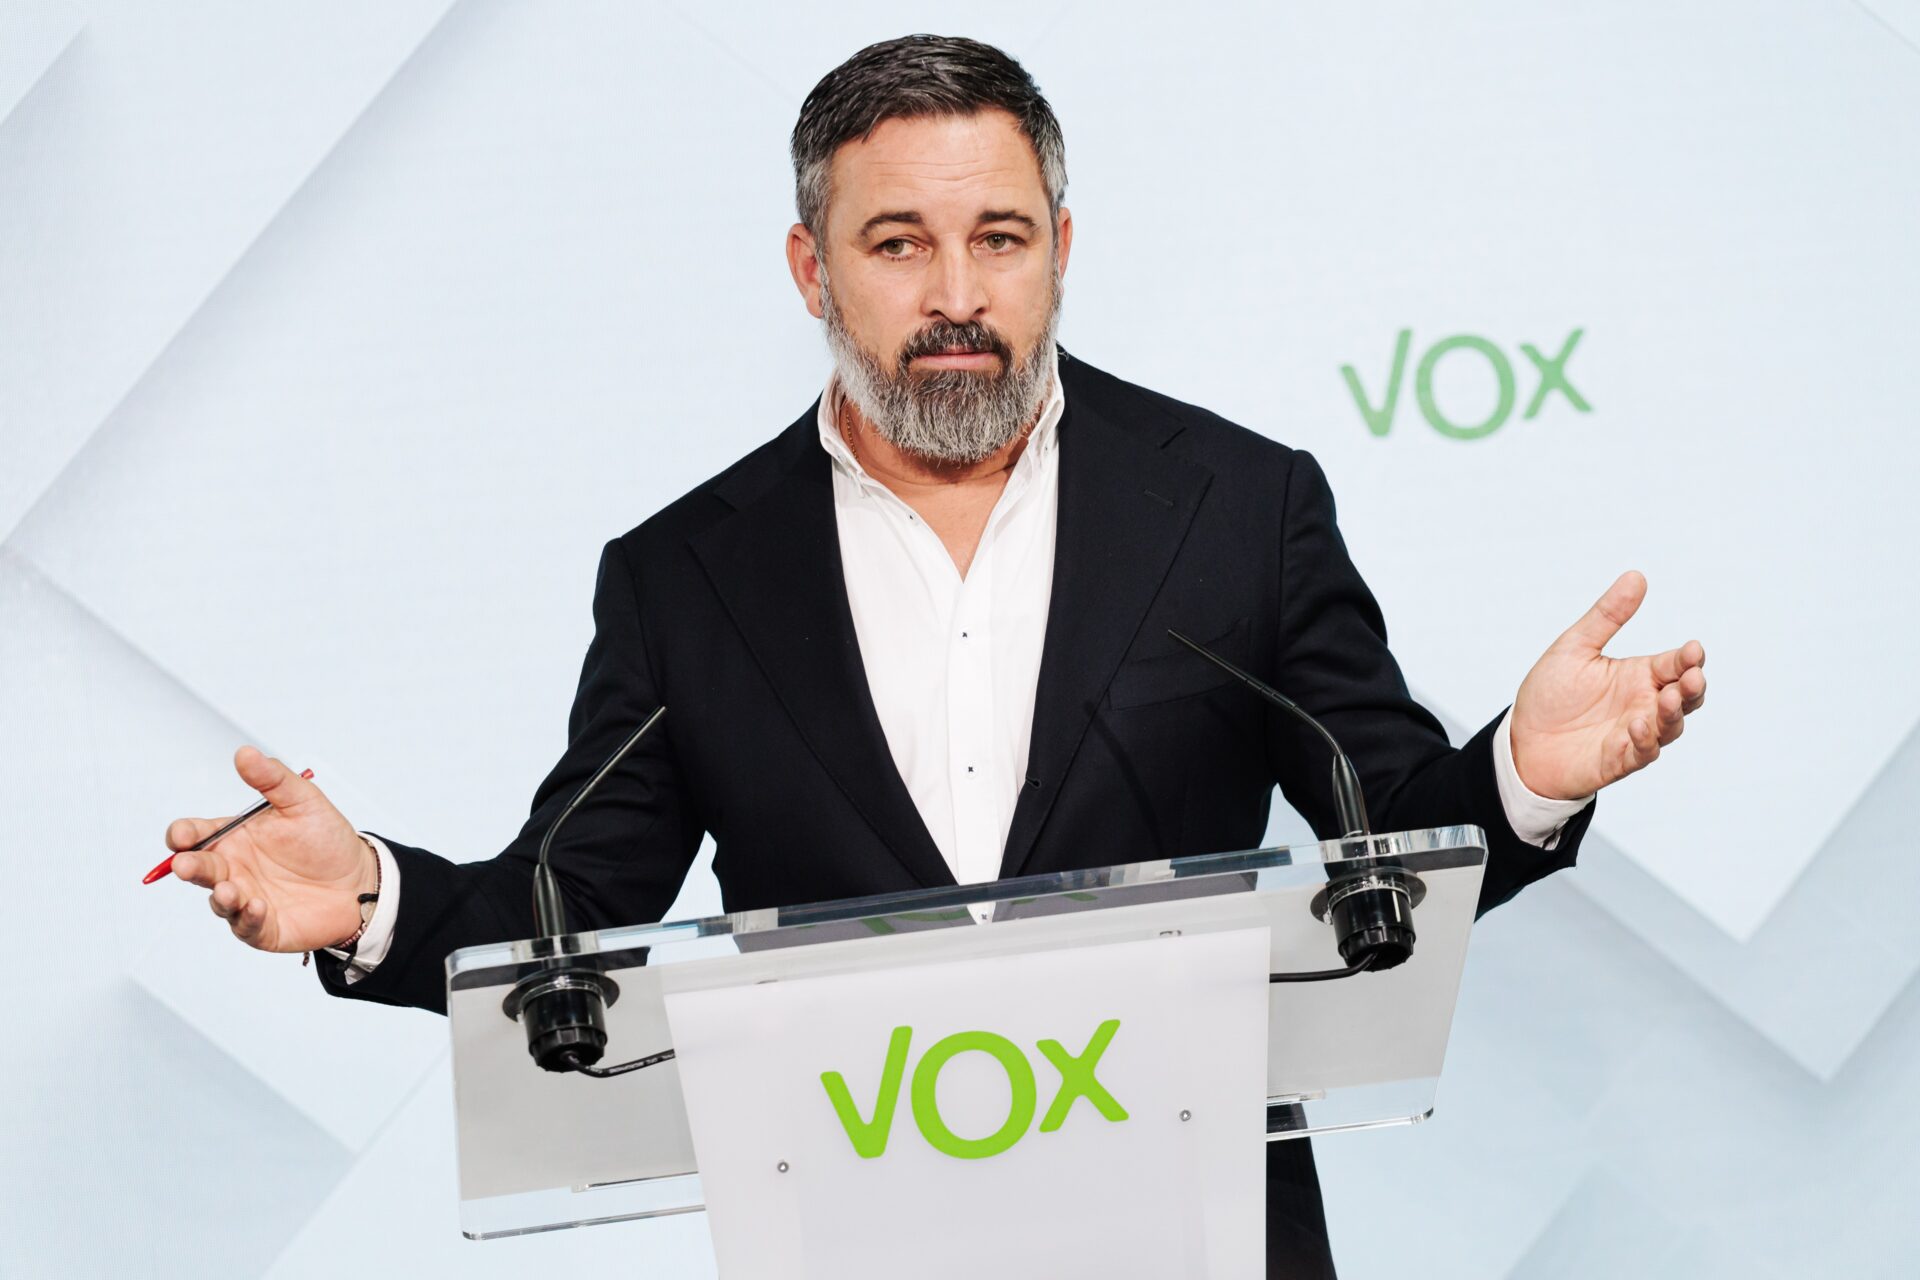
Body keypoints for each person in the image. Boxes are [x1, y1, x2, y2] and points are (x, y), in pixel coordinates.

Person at [160, 34, 1707, 1278]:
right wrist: (372, 899)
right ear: (810, 267)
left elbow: (1395, 837)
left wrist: (1523, 775)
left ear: (1062, 249)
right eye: (898, 243)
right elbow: (568, 915)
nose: (956, 296)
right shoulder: (684, 579)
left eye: (999, 239)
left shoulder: (1241, 508)